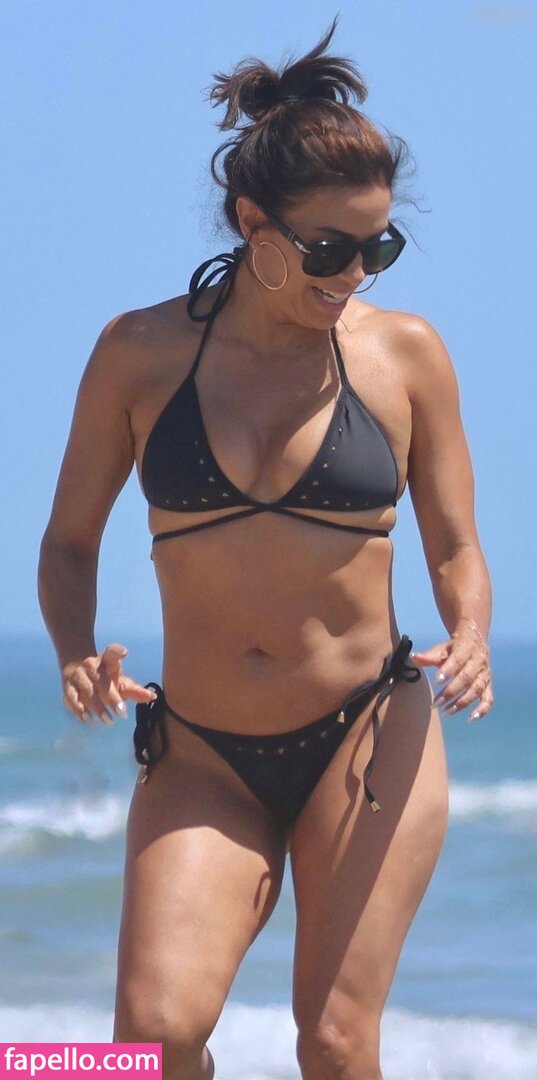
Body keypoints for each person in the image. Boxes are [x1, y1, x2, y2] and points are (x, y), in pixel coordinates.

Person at [38, 20, 493, 1080]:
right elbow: (67, 543)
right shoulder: (138, 354)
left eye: (379, 248)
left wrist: (471, 628)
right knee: (149, 1044)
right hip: (204, 754)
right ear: (254, 223)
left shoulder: (406, 356)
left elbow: (456, 545)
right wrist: (73, 650)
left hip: (367, 734)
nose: (355, 274)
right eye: (330, 250)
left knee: (333, 1043)